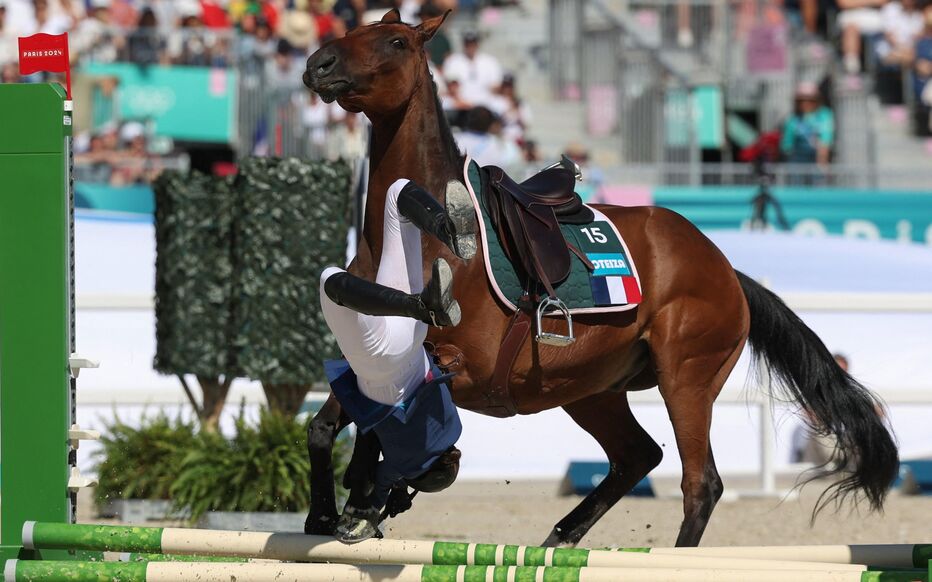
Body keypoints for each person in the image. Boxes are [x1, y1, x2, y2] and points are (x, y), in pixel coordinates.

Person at [319, 178, 474, 544]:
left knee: (396, 194)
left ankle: (447, 230)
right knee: (330, 280)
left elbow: (443, 448)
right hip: (380, 361)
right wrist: (377, 509)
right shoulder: (403, 463)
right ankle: (425, 308)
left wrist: (400, 491)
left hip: (413, 342)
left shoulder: (450, 427)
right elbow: (382, 482)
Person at [780, 82, 834, 184]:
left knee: (818, 189)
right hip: (797, 162)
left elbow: (826, 139)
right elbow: (787, 144)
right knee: (796, 188)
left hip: (818, 161)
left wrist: (822, 160)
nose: (805, 103)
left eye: (810, 100)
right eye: (801, 100)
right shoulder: (793, 119)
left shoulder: (824, 115)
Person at [442, 30, 503, 110]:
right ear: (463, 44)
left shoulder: (490, 61)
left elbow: (496, 86)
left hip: (485, 102)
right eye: (468, 44)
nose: (470, 46)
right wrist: (463, 102)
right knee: (444, 104)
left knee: (502, 104)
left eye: (473, 43)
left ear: (477, 44)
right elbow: (450, 87)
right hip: (460, 102)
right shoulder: (453, 61)